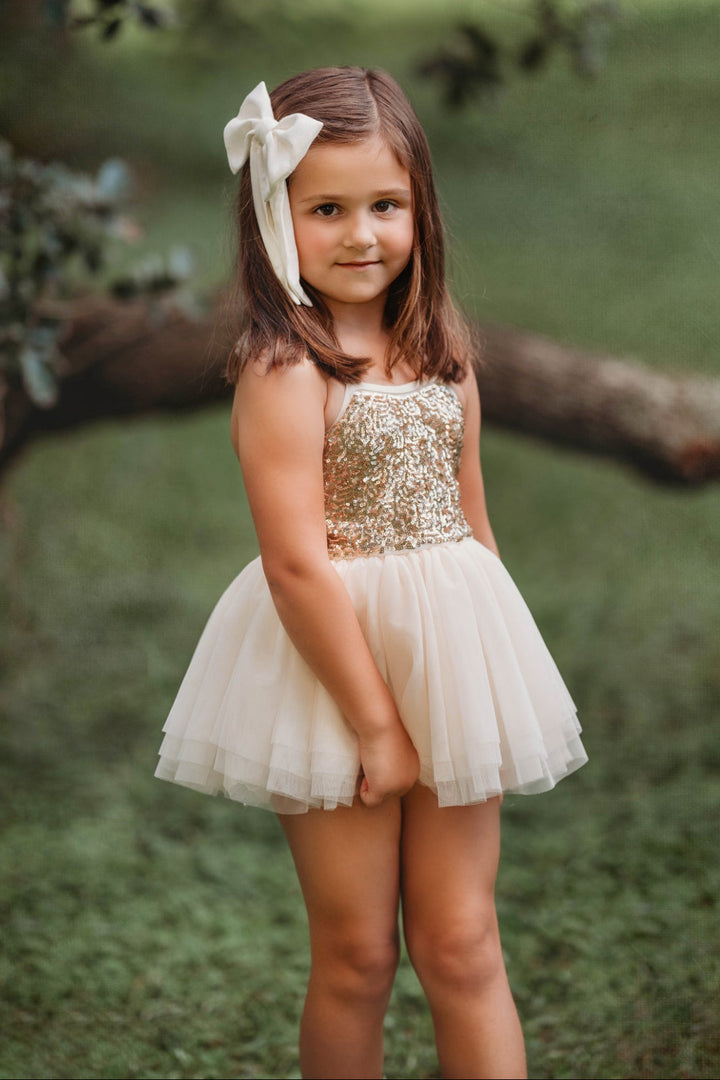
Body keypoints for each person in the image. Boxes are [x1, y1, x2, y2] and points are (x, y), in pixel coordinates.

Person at [155, 66, 588, 1080]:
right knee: (356, 955)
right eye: (327, 209)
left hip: (449, 655)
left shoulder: (444, 350)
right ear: (274, 214)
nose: (361, 234)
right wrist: (377, 725)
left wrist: (487, 675)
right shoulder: (284, 370)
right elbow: (295, 563)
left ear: (421, 212)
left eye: (385, 206)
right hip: (333, 672)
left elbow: (474, 519)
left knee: (463, 944)